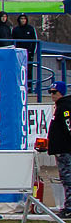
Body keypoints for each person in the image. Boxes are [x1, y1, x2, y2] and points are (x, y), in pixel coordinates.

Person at [45, 83, 71, 211]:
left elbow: (68, 126)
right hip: (61, 149)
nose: (52, 95)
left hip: (65, 149)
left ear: (61, 92)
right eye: (50, 92)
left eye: (54, 92)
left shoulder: (65, 107)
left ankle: (69, 206)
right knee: (65, 177)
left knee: (68, 177)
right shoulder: (60, 106)